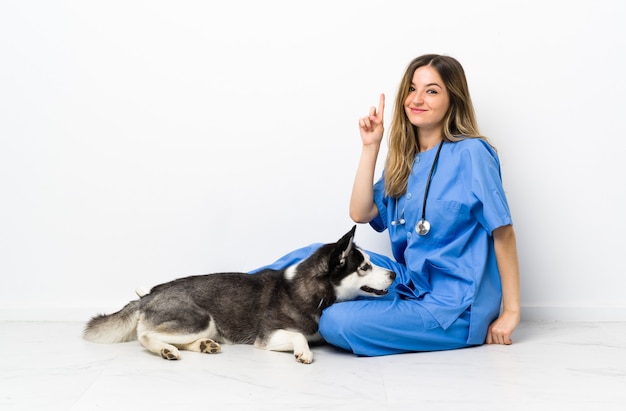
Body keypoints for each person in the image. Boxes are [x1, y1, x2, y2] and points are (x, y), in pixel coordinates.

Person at [253, 54, 520, 356]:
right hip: (410, 283)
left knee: (336, 321)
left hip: (453, 305)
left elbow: (503, 233)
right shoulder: (405, 159)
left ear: (453, 99)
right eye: (412, 88)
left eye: (432, 90)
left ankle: (287, 319)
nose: (417, 99)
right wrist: (371, 146)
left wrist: (511, 312)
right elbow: (361, 212)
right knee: (316, 255)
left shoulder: (473, 153)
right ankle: (235, 300)